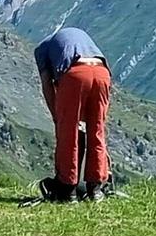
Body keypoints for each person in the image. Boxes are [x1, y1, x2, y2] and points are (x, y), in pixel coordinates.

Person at [34, 26, 112, 202]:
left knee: (68, 133)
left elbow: (47, 86)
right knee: (97, 130)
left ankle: (68, 189)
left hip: (75, 73)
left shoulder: (40, 50)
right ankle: (96, 189)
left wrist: (57, 117)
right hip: (102, 72)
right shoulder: (79, 38)